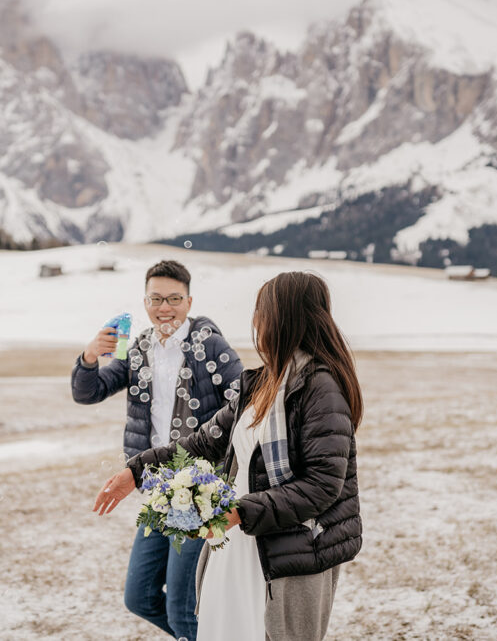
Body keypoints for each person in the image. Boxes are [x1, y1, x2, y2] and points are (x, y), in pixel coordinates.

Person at [95, 271, 363, 641]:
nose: (256, 321)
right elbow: (204, 444)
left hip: (285, 551)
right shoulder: (261, 382)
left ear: (285, 316)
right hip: (238, 541)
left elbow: (322, 485)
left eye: (262, 311)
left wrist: (240, 512)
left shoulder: (320, 387)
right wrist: (137, 472)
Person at [72, 259, 244, 640]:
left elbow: (242, 401)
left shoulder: (209, 345)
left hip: (199, 489)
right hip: (156, 490)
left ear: (189, 300)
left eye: (174, 298)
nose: (164, 307)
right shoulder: (138, 348)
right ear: (145, 302)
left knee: (183, 611)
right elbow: (88, 392)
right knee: (140, 597)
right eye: (156, 299)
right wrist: (88, 359)